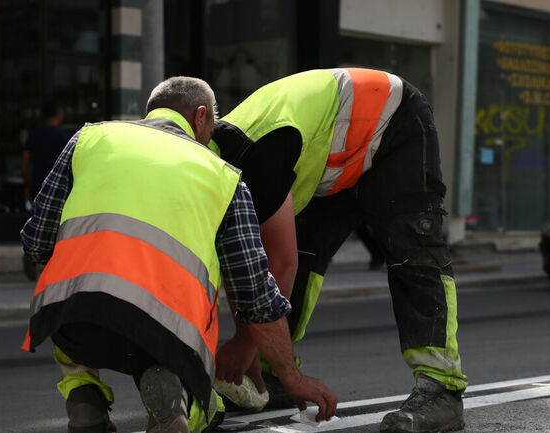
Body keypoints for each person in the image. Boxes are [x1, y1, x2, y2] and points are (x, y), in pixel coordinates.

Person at [20, 76, 337, 433]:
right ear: (201, 117)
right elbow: (257, 296)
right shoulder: (224, 179)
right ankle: (179, 396)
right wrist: (291, 377)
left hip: (73, 323)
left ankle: (84, 396)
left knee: (73, 302)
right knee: (206, 405)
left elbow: (36, 241)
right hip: (164, 332)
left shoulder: (89, 139)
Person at [209, 68, 467, 433]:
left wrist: (246, 340)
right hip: (334, 156)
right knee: (302, 251)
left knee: (414, 250)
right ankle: (275, 377)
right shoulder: (218, 164)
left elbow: (279, 264)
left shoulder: (250, 160)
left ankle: (442, 389)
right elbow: (249, 264)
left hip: (393, 121)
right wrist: (255, 347)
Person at [21, 99, 70, 208]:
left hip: (36, 186)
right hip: (56, 187)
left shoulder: (34, 135)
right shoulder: (62, 136)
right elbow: (68, 163)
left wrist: (27, 185)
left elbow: (25, 162)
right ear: (59, 113)